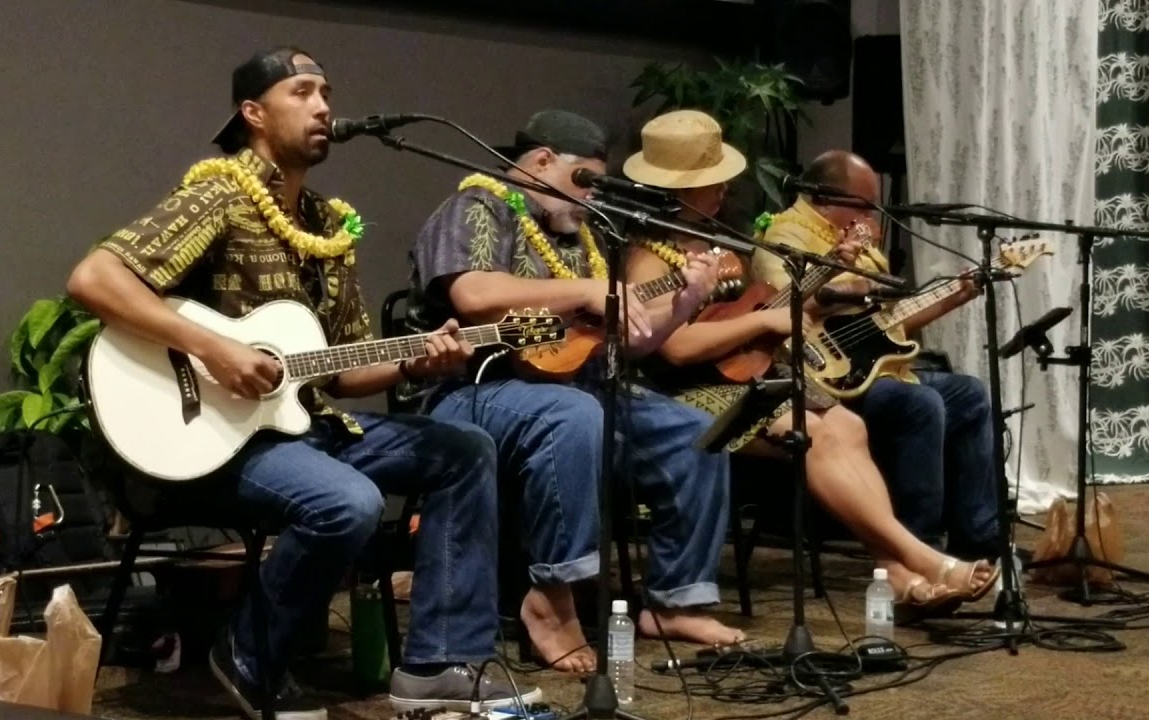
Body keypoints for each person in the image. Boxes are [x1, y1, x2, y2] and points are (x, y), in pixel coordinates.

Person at [67, 48, 538, 720]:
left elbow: (342, 372)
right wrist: (215, 347)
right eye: (302, 91)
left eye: (326, 92)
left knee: (464, 448)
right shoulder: (219, 194)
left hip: (304, 426)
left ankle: (437, 665)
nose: (323, 106)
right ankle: (248, 654)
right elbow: (94, 280)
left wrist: (416, 360)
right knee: (347, 503)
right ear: (253, 113)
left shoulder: (327, 225)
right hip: (214, 440)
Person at [622, 110, 996, 615]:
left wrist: (810, 290)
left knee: (847, 426)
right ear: (680, 189)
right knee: (816, 430)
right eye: (712, 183)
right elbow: (675, 349)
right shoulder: (648, 254)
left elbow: (768, 308)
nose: (725, 190)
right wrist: (760, 326)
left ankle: (902, 576)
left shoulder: (716, 241)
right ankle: (914, 559)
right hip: (686, 388)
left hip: (745, 371)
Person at [407, 109, 740, 674]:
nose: (587, 198)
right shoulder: (477, 206)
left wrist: (684, 302)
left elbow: (624, 344)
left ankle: (676, 600)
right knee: (574, 416)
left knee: (693, 430)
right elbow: (472, 292)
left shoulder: (579, 232)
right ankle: (553, 600)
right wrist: (587, 287)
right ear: (541, 161)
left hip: (578, 385)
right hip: (477, 386)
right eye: (581, 179)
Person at [751, 150, 1004, 564]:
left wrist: (955, 295)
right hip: (821, 375)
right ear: (826, 197)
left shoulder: (861, 238)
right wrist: (850, 280)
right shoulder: (786, 235)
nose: (871, 214)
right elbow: (784, 308)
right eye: (864, 204)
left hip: (877, 368)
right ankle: (917, 550)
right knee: (920, 404)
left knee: (970, 394)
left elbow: (889, 321)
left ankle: (979, 538)